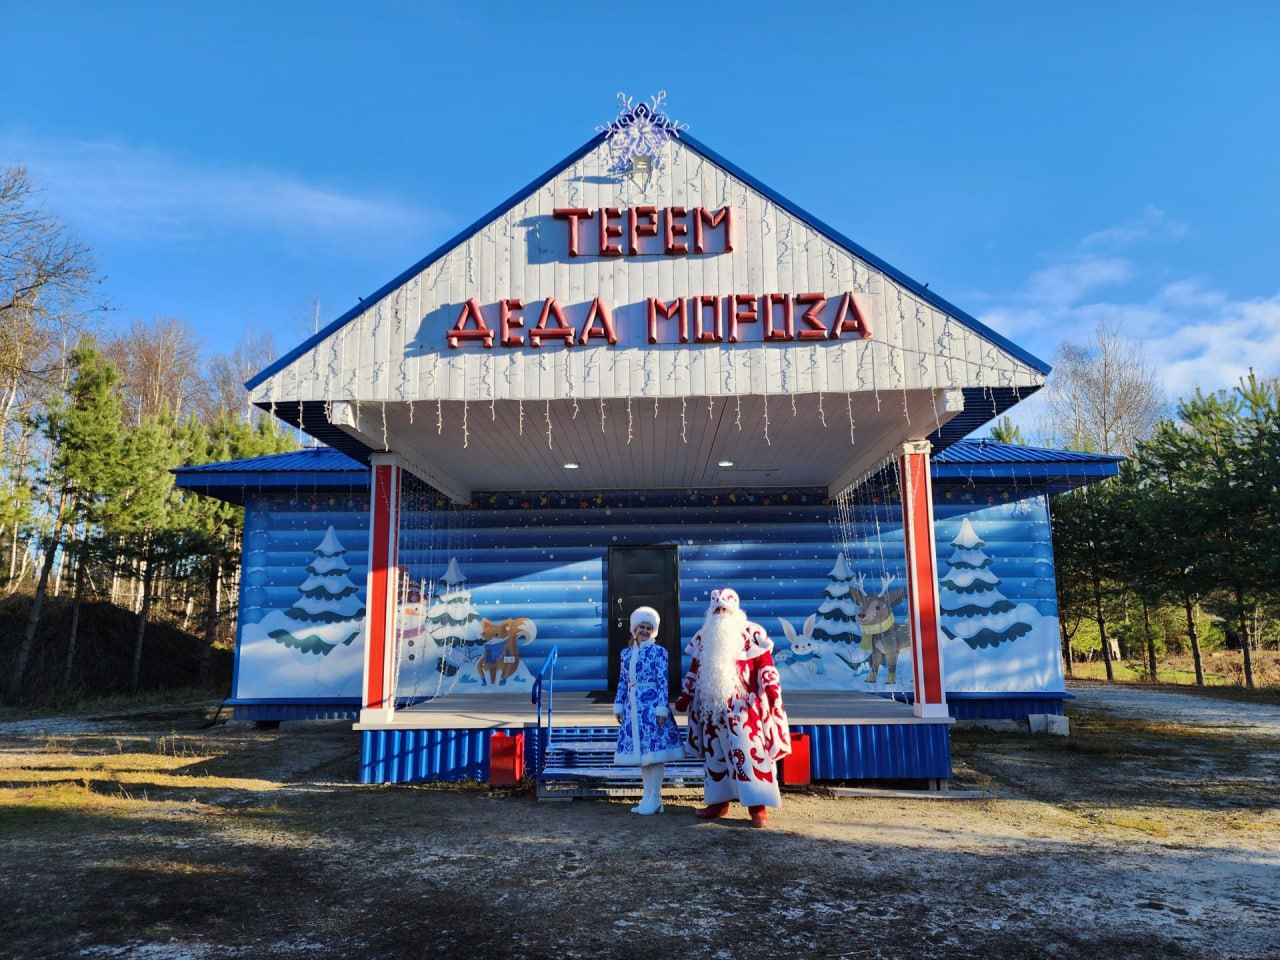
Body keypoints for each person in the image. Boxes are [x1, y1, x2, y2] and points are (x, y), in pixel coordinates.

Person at [674, 587, 791, 828]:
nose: (720, 614)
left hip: (743, 710)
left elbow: (765, 664)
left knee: (749, 756)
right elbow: (695, 669)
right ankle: (719, 803)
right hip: (712, 708)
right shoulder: (703, 636)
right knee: (715, 758)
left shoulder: (752, 634)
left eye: (725, 609)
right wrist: (685, 694)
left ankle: (757, 807)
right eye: (716, 609)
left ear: (734, 610)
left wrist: (771, 689)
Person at [613, 606, 685, 815]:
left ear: (653, 630)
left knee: (655, 754)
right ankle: (647, 797)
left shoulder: (659, 652)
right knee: (642, 755)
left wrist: (662, 709)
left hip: (651, 707)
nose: (644, 631)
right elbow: (622, 681)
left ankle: (656, 797)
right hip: (633, 709)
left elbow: (663, 682)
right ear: (634, 629)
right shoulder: (626, 653)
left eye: (648, 627)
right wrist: (619, 704)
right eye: (641, 627)